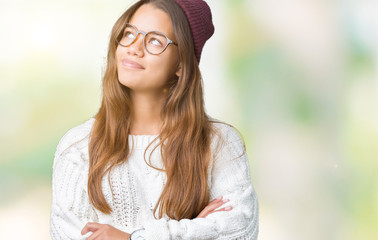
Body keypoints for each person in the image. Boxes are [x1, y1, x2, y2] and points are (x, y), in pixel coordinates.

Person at [49, 0, 259, 239]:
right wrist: (194, 230)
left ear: (181, 63)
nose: (134, 48)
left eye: (155, 41)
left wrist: (131, 237)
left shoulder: (219, 143)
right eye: (129, 34)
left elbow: (239, 230)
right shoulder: (77, 148)